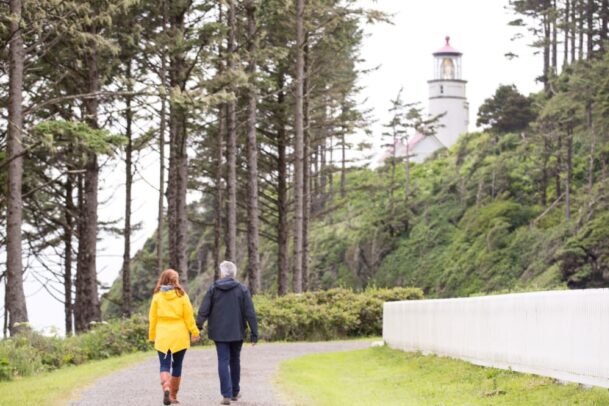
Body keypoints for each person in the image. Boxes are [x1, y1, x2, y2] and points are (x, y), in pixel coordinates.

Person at [196, 261, 259, 405]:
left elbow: (204, 310)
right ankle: (235, 392)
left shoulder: (213, 288)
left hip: (219, 332)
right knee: (235, 360)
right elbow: (250, 312)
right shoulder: (242, 289)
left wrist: (198, 327)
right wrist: (254, 333)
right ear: (234, 273)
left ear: (223, 273)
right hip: (237, 331)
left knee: (223, 361)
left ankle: (226, 395)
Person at [149, 269, 200, 405]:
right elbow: (188, 317)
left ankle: (166, 386)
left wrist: (152, 335)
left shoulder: (157, 297)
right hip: (179, 336)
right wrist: (194, 332)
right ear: (175, 280)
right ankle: (172, 395)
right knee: (177, 365)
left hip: (163, 336)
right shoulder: (182, 295)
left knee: (164, 365)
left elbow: (153, 318)